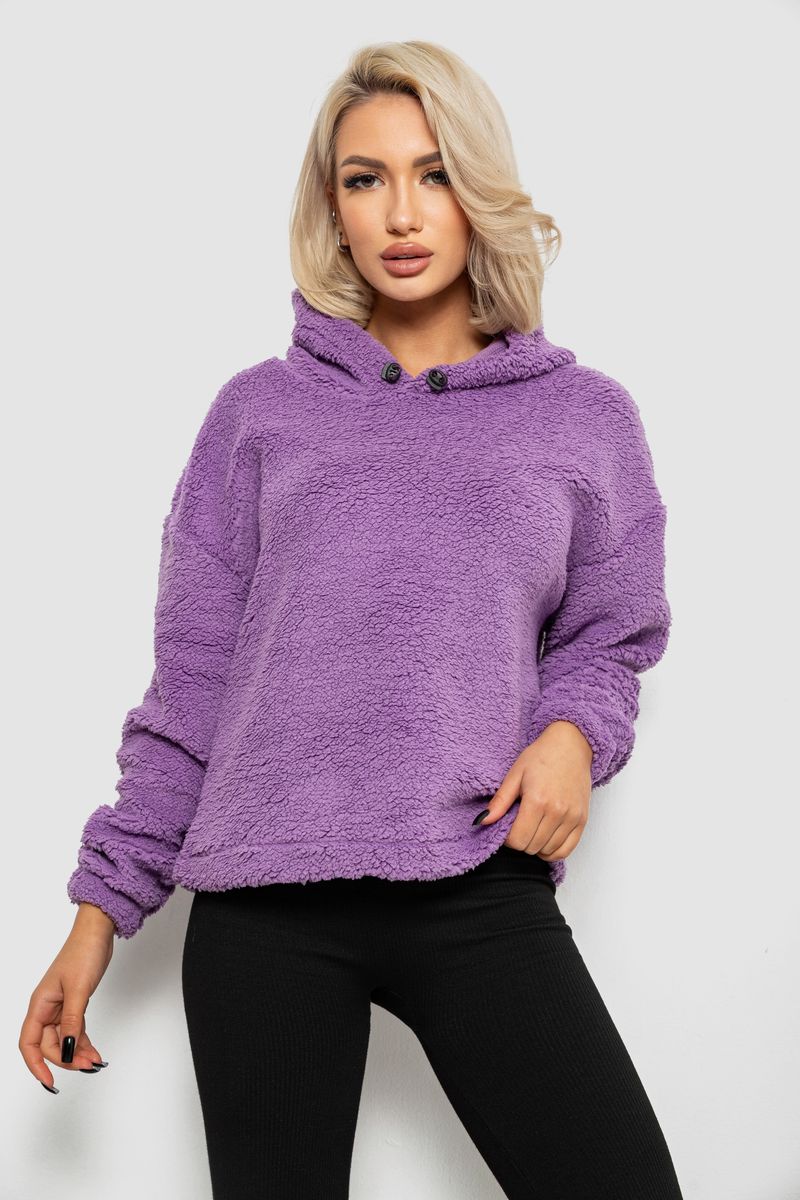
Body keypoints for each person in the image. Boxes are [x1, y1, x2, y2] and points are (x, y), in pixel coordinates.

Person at [19, 39, 684, 1200]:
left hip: (473, 876)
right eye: (364, 179)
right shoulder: (259, 414)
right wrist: (96, 916)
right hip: (264, 906)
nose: (401, 213)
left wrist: (572, 734)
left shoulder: (582, 418)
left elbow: (609, 634)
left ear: (478, 191)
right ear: (331, 206)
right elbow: (192, 686)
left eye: (434, 174)